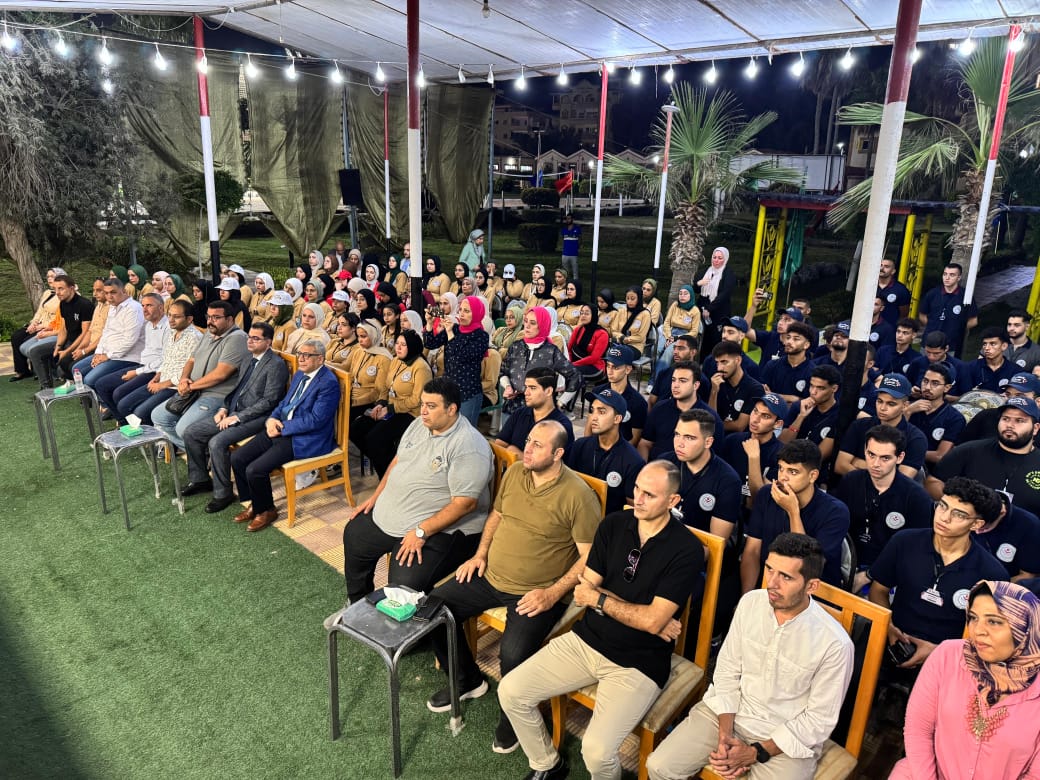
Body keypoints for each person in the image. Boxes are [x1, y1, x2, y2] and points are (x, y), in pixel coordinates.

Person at [498, 460, 702, 780]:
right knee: (510, 690)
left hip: (638, 663)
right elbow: (585, 590)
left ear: (673, 500)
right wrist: (641, 613)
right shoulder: (614, 524)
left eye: (649, 494)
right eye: (637, 489)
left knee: (596, 752)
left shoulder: (687, 549)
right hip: (586, 639)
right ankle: (547, 764)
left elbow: (645, 620)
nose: (638, 499)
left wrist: (604, 601)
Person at [646, 533, 854, 780]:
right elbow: (727, 670)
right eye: (769, 569)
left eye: (786, 577)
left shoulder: (835, 644)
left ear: (812, 586)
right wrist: (725, 734)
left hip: (787, 741)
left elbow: (818, 720)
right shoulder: (751, 603)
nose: (772, 583)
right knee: (660, 766)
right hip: (728, 713)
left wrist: (756, 752)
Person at [343, 376, 492, 602]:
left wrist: (422, 531)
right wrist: (376, 497)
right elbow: (398, 460)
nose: (423, 411)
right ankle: (358, 603)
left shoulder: (469, 445)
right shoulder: (419, 425)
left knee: (404, 582)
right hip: (398, 516)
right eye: (422, 404)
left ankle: (407, 622)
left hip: (444, 529)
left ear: (452, 409)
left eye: (431, 406)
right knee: (355, 534)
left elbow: (465, 504)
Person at [890, 580, 1040, 780]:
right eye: (973, 618)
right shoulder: (948, 655)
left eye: (994, 621)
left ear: (1025, 628)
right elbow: (918, 730)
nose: (978, 630)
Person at [868, 476, 1007, 673]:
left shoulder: (992, 574)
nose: (944, 517)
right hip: (893, 644)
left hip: (951, 664)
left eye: (958, 515)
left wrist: (938, 651)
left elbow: (988, 634)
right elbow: (879, 590)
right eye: (942, 506)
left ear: (976, 524)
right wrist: (888, 627)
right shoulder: (904, 542)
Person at [229, 339, 339, 532]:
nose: (301, 358)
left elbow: (316, 420)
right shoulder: (300, 373)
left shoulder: (328, 383)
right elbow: (285, 403)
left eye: (307, 355)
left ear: (320, 359)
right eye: (300, 354)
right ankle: (255, 503)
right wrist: (272, 419)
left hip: (305, 438)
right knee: (238, 458)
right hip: (282, 428)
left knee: (255, 470)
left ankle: (267, 511)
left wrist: (282, 427)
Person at [181, 322, 288, 512]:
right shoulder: (248, 358)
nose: (250, 341)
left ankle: (223, 494)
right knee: (191, 432)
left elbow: (269, 402)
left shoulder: (276, 365)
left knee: (217, 442)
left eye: (256, 338)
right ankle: (200, 480)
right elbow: (236, 389)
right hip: (233, 411)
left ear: (268, 342)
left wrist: (237, 418)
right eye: (249, 337)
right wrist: (224, 408)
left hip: (258, 418)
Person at [832, 425, 934, 591]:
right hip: (847, 561)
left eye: (885, 458)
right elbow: (835, 525)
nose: (875, 464)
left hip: (890, 573)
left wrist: (870, 575)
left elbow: (915, 548)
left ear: (900, 458)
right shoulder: (850, 481)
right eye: (871, 455)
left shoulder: (916, 497)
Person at [741, 440, 850, 591]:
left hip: (813, 591)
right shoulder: (766, 495)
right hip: (769, 581)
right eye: (781, 468)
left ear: (813, 476)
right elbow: (752, 551)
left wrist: (793, 512)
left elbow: (808, 564)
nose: (783, 477)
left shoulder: (836, 512)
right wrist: (748, 597)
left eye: (793, 472)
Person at [151, 300, 248, 451]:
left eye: (216, 317)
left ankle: (202, 455)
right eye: (208, 317)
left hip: (217, 396)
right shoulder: (209, 333)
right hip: (193, 391)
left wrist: (190, 387)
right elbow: (191, 359)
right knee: (158, 416)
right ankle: (201, 454)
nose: (210, 321)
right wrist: (184, 379)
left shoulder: (237, 338)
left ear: (230, 319)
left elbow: (221, 374)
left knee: (183, 429)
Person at [928, 396, 1040, 514]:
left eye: (1019, 421)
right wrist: (958, 510)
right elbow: (933, 482)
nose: (1010, 425)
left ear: (1035, 428)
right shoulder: (969, 451)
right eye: (1005, 419)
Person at [349, 330, 433, 477]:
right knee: (356, 429)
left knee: (375, 438)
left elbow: (417, 400)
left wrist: (390, 408)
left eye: (403, 345)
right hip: (390, 408)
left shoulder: (421, 367)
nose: (398, 347)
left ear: (412, 346)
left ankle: (389, 475)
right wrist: (380, 404)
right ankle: (387, 464)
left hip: (409, 413)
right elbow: (386, 387)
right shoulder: (395, 361)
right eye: (397, 343)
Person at [113, 299, 200, 425]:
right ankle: (140, 432)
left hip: (175, 387)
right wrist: (156, 378)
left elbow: (191, 370)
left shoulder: (195, 338)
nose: (171, 320)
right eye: (169, 315)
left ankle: (153, 435)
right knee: (123, 405)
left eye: (176, 317)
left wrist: (162, 385)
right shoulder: (173, 332)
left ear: (189, 319)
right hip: (161, 380)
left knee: (140, 413)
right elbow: (166, 359)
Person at [665, 409, 742, 542]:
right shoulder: (664, 463)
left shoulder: (728, 481)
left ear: (708, 442)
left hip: (695, 549)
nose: (679, 443)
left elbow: (715, 543)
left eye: (689, 438)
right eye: (677, 434)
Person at [834, 372, 927, 480]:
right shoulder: (860, 425)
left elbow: (901, 481)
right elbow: (840, 466)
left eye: (891, 404)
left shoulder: (915, 438)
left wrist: (858, 462)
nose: (882, 408)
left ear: (905, 405)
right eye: (879, 401)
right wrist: (885, 471)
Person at [566, 389, 645, 514]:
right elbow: (566, 485)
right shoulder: (579, 446)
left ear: (617, 419)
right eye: (592, 410)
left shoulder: (633, 461)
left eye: (602, 412)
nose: (593, 417)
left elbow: (631, 509)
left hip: (610, 522)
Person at [94, 293, 169, 420]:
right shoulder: (149, 324)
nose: (144, 309)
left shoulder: (168, 327)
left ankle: (130, 423)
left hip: (154, 372)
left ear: (161, 307)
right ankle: (124, 422)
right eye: (143, 305)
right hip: (142, 366)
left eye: (149, 305)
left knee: (119, 395)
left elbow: (164, 360)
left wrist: (136, 372)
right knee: (101, 384)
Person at [499, 306, 579, 417]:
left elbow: (575, 376)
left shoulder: (550, 351)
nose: (527, 326)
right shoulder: (516, 347)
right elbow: (503, 372)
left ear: (542, 325)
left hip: (540, 413)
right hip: (513, 408)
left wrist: (561, 402)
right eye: (526, 321)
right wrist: (508, 387)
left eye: (533, 323)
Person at [423, 295, 490, 426]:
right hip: (448, 390)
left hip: (468, 393)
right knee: (447, 428)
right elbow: (430, 343)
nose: (462, 314)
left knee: (465, 431)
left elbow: (461, 356)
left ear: (476, 313)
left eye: (467, 311)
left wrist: (450, 334)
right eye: (461, 310)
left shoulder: (481, 336)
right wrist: (429, 324)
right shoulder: (455, 328)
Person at [640, 361, 724, 461]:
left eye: (682, 381)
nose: (675, 385)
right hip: (657, 466)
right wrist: (645, 468)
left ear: (696, 385)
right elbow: (645, 443)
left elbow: (714, 458)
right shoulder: (659, 408)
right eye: (673, 380)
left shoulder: (710, 418)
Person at [721, 393, 787, 505]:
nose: (755, 419)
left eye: (765, 416)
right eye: (755, 411)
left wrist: (754, 458)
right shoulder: (732, 440)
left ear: (777, 424)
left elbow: (760, 500)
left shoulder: (782, 455)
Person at [79, 278, 145, 390]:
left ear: (124, 291)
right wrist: (98, 352)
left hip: (127, 357)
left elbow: (130, 340)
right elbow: (106, 332)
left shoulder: (133, 308)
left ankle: (101, 400)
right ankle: (90, 399)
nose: (109, 296)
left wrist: (107, 356)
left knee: (90, 379)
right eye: (106, 293)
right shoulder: (113, 307)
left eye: (113, 292)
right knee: (78, 370)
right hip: (108, 353)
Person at [31, 274, 94, 389]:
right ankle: (46, 388)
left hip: (81, 342)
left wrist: (67, 351)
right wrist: (58, 347)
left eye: (61, 289)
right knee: (35, 352)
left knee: (63, 366)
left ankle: (78, 385)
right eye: (55, 289)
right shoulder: (63, 303)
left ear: (72, 288)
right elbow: (63, 328)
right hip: (67, 341)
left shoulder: (85, 305)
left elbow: (85, 333)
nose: (57, 292)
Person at [496, 366, 575, 456]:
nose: (526, 392)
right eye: (526, 387)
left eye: (532, 388)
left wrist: (514, 452)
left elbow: (557, 461)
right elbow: (499, 443)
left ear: (548, 391)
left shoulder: (562, 426)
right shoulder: (519, 413)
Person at [778, 364, 841, 472]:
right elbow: (782, 443)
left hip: (815, 472)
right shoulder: (799, 406)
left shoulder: (839, 416)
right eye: (811, 386)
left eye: (820, 388)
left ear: (834, 388)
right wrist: (801, 417)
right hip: (786, 463)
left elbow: (818, 458)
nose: (813, 392)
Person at [907, 362, 966, 467]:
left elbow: (940, 456)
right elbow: (891, 437)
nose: (927, 387)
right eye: (925, 381)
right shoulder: (909, 407)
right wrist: (907, 412)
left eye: (935, 383)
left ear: (947, 388)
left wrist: (906, 452)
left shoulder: (955, 418)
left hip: (929, 469)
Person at [11, 267, 63, 382]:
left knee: (27, 341)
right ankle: (22, 370)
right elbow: (39, 311)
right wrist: (33, 323)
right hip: (38, 323)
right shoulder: (47, 293)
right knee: (16, 336)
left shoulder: (62, 295)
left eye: (52, 276)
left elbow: (58, 318)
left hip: (48, 326)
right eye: (48, 276)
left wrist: (41, 327)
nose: (49, 279)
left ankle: (40, 369)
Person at [588, 345, 648, 445]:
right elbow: (589, 426)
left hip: (620, 451)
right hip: (595, 446)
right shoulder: (597, 392)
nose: (609, 371)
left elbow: (634, 439)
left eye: (615, 367)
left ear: (628, 369)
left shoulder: (638, 402)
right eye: (608, 366)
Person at [959, 371, 1040, 445]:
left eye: (1020, 396)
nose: (1011, 399)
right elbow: (960, 446)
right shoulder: (987, 416)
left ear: (1038, 401)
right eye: (1008, 394)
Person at [920, 262, 979, 357]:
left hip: (951, 345)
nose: (947, 278)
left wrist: (957, 329)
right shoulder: (932, 294)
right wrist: (933, 325)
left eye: (952, 275)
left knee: (947, 366)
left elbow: (973, 321)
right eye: (945, 274)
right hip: (929, 342)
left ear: (958, 278)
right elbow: (922, 315)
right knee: (924, 365)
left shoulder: (965, 297)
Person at [57, 277, 109, 383]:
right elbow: (90, 331)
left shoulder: (111, 308)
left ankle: (84, 387)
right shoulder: (98, 306)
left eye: (99, 290)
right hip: (90, 345)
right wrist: (79, 348)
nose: (94, 294)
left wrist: (85, 351)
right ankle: (75, 384)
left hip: (100, 347)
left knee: (74, 366)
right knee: (64, 361)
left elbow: (104, 335)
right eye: (94, 290)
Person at [707, 340, 764, 433]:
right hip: (716, 436)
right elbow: (710, 417)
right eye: (717, 363)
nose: (719, 368)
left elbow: (739, 426)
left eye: (724, 362)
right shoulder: (716, 383)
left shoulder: (754, 388)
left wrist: (715, 424)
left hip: (741, 439)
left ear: (738, 360)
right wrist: (714, 391)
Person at [761, 321, 815, 403]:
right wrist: (793, 399)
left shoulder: (813, 372)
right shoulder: (772, 365)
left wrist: (778, 396)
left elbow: (810, 402)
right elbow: (762, 394)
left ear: (806, 345)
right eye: (788, 337)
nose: (789, 341)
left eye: (796, 339)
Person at [696, 247, 736, 355]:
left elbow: (725, 294)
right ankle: (701, 361)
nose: (716, 260)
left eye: (720, 258)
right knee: (702, 336)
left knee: (716, 338)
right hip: (702, 307)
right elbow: (696, 289)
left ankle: (715, 360)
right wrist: (699, 284)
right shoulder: (705, 271)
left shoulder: (728, 274)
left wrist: (710, 308)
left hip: (719, 310)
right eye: (714, 257)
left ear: (725, 259)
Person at [347, 322, 392, 418]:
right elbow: (350, 378)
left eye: (363, 336)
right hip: (351, 398)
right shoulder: (359, 351)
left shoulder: (384, 358)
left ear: (373, 336)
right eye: (358, 336)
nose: (360, 340)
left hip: (368, 402)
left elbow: (378, 391)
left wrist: (354, 402)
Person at [658, 285, 701, 378]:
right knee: (656, 349)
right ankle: (655, 375)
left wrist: (677, 338)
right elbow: (666, 322)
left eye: (685, 294)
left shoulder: (695, 311)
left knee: (668, 353)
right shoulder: (675, 305)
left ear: (691, 296)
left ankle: (658, 379)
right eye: (680, 294)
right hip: (670, 332)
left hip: (684, 336)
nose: (682, 296)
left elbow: (694, 332)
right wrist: (669, 337)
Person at [744, 299, 804, 367]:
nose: (780, 322)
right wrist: (753, 306)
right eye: (781, 318)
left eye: (787, 320)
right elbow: (745, 330)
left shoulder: (800, 347)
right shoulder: (770, 337)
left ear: (798, 325)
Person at [700, 316, 761, 382]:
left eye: (730, 332)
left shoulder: (751, 367)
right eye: (723, 331)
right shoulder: (709, 360)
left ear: (742, 336)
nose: (724, 336)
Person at [649, 334, 699, 408]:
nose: (675, 352)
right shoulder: (664, 373)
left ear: (693, 352)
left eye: (680, 349)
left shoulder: (699, 379)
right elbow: (651, 401)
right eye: (674, 348)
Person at [567, 302, 609, 382]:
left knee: (571, 372)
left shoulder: (602, 334)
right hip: (576, 364)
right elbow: (569, 350)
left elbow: (594, 358)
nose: (583, 316)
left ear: (593, 316)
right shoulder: (578, 330)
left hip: (594, 367)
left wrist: (573, 365)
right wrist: (569, 362)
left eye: (586, 313)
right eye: (581, 313)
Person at [968, 326, 1017, 393]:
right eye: (985, 344)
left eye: (992, 344)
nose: (987, 348)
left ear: (1004, 346)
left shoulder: (1015, 371)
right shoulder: (970, 367)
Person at [611, 286, 652, 356]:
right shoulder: (621, 311)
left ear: (639, 299)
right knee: (612, 352)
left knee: (617, 354)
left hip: (635, 347)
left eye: (632, 299)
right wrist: (622, 337)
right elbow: (614, 330)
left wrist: (627, 339)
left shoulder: (645, 314)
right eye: (627, 298)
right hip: (619, 343)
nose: (629, 301)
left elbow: (641, 337)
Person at [876, 256, 912, 326]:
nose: (881, 268)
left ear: (893, 271)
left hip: (890, 328)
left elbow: (904, 314)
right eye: (880, 265)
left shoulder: (901, 289)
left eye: (886, 266)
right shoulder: (869, 286)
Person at [560, 214, 581, 280]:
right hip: (565, 254)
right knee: (565, 272)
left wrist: (578, 247)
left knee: (575, 271)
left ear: (572, 219)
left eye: (569, 218)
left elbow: (580, 239)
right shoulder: (564, 229)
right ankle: (566, 283)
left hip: (574, 254)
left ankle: (575, 284)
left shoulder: (577, 229)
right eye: (567, 219)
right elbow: (562, 239)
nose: (567, 220)